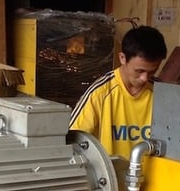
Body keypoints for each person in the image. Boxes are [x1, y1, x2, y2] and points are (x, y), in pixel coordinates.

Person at [69, 25, 167, 158]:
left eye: (152, 71)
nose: (144, 78)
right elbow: (72, 141)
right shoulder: (100, 93)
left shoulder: (163, 94)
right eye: (139, 71)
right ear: (122, 58)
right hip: (112, 176)